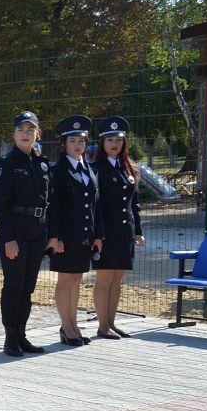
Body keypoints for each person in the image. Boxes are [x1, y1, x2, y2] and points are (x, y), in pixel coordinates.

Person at [0, 111, 53, 357]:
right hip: (15, 234)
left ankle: (22, 335)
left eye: (30, 130)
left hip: (37, 233)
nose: (25, 134)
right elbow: (0, 206)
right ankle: (10, 339)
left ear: (37, 133)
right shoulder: (6, 164)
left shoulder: (42, 163)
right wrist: (8, 239)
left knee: (28, 287)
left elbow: (49, 201)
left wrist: (50, 233)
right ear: (14, 134)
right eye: (21, 130)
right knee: (13, 285)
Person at [47, 115, 103, 346]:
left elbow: (96, 205)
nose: (77, 145)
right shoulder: (57, 170)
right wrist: (56, 236)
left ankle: (73, 325)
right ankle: (66, 326)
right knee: (65, 280)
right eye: (72, 141)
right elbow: (54, 207)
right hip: (66, 236)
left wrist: (98, 235)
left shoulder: (89, 169)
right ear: (63, 144)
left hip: (84, 235)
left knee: (77, 280)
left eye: (81, 141)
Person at [90, 116, 143, 338]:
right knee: (104, 281)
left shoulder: (129, 168)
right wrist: (98, 234)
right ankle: (102, 326)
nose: (115, 144)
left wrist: (138, 231)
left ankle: (111, 323)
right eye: (110, 140)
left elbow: (134, 204)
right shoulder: (95, 169)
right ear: (102, 142)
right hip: (105, 234)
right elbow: (95, 206)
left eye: (119, 140)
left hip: (125, 233)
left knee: (117, 281)